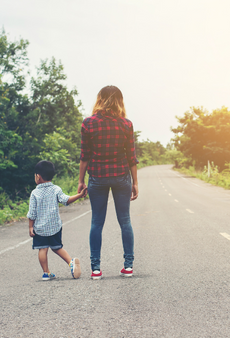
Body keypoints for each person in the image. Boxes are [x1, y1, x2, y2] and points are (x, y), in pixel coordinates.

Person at [78, 85, 139, 280]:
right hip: (121, 176)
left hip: (97, 176)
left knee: (97, 222)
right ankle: (128, 266)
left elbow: (84, 156)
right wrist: (135, 182)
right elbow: (131, 156)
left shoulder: (88, 123)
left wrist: (81, 180)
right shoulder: (126, 124)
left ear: (99, 99)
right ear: (120, 101)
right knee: (125, 221)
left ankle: (96, 269)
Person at [28, 160, 87, 281]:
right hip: (54, 226)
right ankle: (71, 263)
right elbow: (66, 200)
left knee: (43, 249)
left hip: (40, 228)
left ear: (38, 177)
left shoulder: (35, 193)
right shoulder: (56, 189)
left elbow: (32, 213)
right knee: (57, 247)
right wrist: (80, 195)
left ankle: (46, 273)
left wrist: (30, 227)